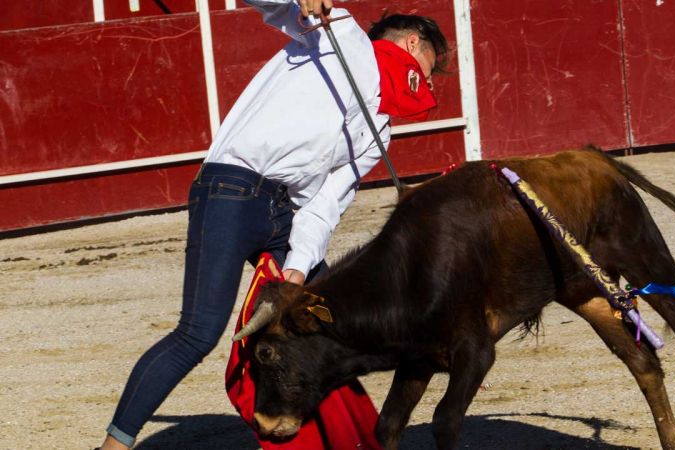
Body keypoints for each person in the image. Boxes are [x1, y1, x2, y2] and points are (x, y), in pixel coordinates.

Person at [97, 0, 447, 448]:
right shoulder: (338, 31)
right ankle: (112, 447)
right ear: (411, 41)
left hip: (284, 213)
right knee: (198, 333)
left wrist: (298, 270)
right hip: (231, 190)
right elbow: (267, 4)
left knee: (322, 320)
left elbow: (324, 205)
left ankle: (326, 436)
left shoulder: (380, 127)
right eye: (428, 67)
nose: (427, 81)